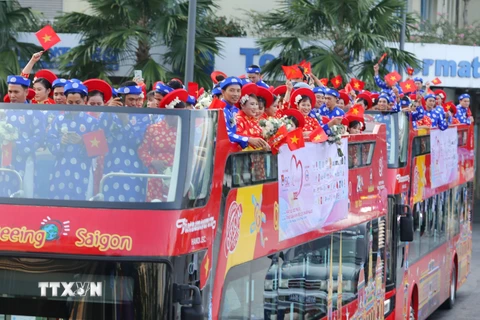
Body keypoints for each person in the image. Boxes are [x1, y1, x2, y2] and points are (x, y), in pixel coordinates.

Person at [98, 82, 150, 202]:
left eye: (138, 100)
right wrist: (107, 111)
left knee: (134, 206)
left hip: (135, 170)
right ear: (120, 99)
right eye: (131, 99)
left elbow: (137, 141)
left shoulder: (143, 116)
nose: (135, 103)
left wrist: (125, 120)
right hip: (111, 168)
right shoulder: (108, 113)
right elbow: (99, 134)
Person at [46, 81, 98, 200]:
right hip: (61, 168)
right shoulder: (58, 120)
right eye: (70, 102)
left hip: (83, 169)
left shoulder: (93, 122)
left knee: (82, 201)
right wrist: (60, 142)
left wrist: (82, 141)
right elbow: (49, 140)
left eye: (77, 102)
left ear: (85, 100)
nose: (73, 105)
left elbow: (99, 149)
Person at [0, 75, 46, 198]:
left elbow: (39, 138)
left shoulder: (36, 113)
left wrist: (17, 145)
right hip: (3, 161)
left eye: (16, 92)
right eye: (10, 91)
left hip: (25, 162)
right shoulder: (3, 112)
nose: (12, 95)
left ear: (26, 92)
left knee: (24, 193)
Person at [138, 89, 188, 202]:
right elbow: (142, 151)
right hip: (156, 175)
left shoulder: (185, 130)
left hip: (177, 175)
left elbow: (191, 152)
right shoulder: (153, 129)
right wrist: (152, 161)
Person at [220, 77, 268, 149]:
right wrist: (248, 139)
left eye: (238, 91)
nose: (236, 94)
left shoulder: (231, 110)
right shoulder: (220, 109)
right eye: (232, 90)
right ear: (223, 92)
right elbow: (225, 134)